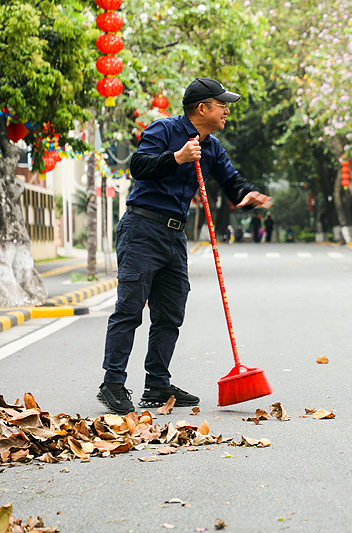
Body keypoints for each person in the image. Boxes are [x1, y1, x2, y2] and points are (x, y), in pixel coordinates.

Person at [97, 77, 273, 415]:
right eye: (222, 105)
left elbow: (231, 181)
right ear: (202, 108)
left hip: (175, 237)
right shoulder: (163, 130)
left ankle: (157, 385)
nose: (226, 111)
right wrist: (176, 157)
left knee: (170, 312)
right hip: (142, 228)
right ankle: (113, 384)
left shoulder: (212, 147)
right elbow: (139, 166)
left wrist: (248, 196)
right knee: (130, 308)